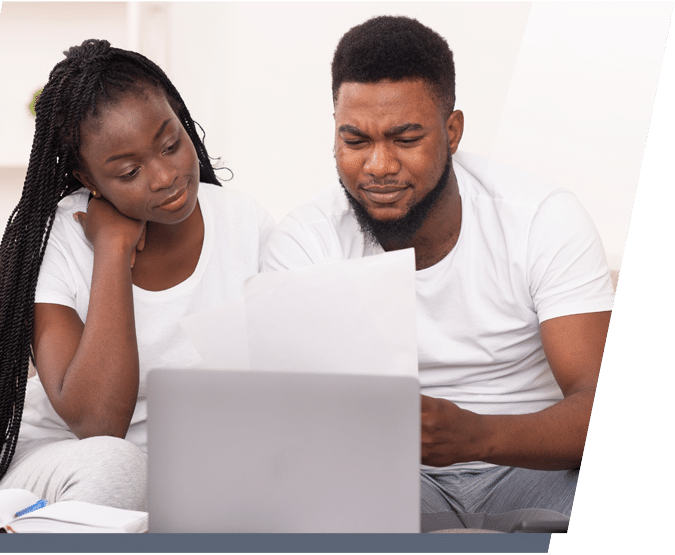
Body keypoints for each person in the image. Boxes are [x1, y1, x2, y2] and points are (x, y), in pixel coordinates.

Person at [262, 16, 615, 532]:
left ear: (452, 132)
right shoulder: (304, 242)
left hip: (532, 468)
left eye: (405, 138)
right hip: (389, 484)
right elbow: (289, 426)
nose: (378, 166)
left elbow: (604, 406)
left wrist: (476, 437)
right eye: (355, 140)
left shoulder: (540, 217)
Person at [0, 39, 274, 511]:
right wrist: (112, 249)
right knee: (117, 464)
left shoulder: (245, 222)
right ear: (87, 178)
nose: (164, 176)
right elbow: (96, 423)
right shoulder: (57, 241)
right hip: (66, 468)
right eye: (129, 171)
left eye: (171, 144)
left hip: (191, 473)